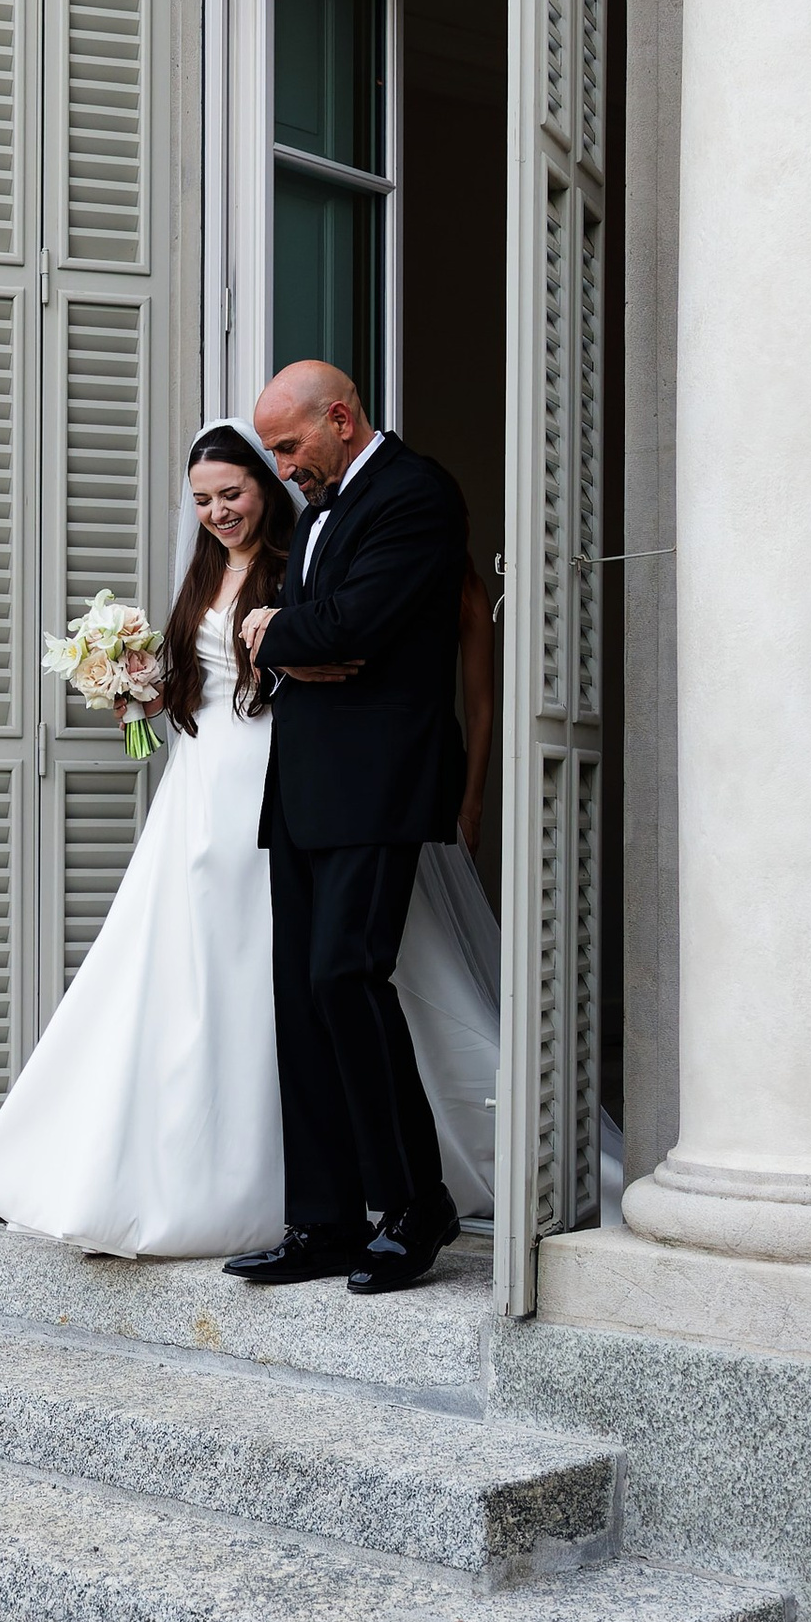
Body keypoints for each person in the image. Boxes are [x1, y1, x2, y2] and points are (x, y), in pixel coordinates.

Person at [0, 415, 505, 1264]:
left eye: (233, 491)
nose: (217, 512)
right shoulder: (206, 574)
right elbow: (197, 685)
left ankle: (367, 1196)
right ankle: (264, 1198)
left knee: (317, 977)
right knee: (203, 972)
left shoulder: (303, 556)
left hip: (282, 776)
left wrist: (285, 655)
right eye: (203, 500)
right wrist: (136, 690)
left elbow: (334, 660)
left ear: (267, 486)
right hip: (201, 787)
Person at [231, 361, 467, 1294]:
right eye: (274, 452)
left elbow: (352, 625)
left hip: (378, 783)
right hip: (304, 785)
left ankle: (416, 1204)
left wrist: (276, 631)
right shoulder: (320, 507)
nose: (283, 468)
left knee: (345, 976)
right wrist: (294, 635)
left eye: (290, 447)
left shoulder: (415, 493)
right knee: (301, 995)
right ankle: (324, 1221)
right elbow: (319, 630)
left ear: (340, 416)